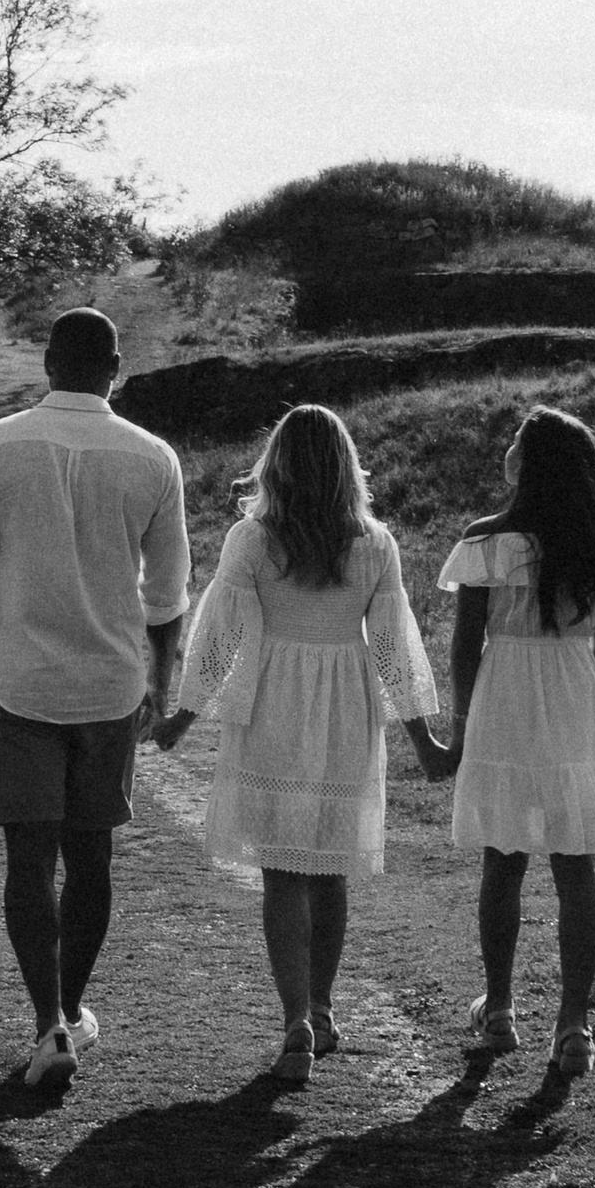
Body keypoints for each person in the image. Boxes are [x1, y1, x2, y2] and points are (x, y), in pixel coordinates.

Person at [158, 402, 450, 1085]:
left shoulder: (253, 539)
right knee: (329, 866)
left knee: (282, 872)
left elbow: (220, 633)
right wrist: (423, 737)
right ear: (347, 465)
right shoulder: (375, 542)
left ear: (277, 464)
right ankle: (321, 1004)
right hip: (346, 705)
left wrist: (183, 716)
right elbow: (393, 646)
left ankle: (295, 1017)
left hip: (274, 707)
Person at [0, 308, 190, 1097]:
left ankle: (48, 1019)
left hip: (20, 678)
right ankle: (74, 1003)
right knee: (92, 858)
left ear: (47, 361)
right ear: (116, 367)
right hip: (109, 684)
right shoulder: (153, 456)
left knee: (29, 857)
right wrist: (160, 682)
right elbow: (168, 594)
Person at [435, 407, 595, 1087]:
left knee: (503, 857)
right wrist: (588, 717)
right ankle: (574, 1025)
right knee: (575, 864)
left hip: (504, 694)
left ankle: (499, 1009)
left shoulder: (487, 540)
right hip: (575, 693)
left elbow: (465, 645)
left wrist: (462, 723)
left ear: (527, 463)